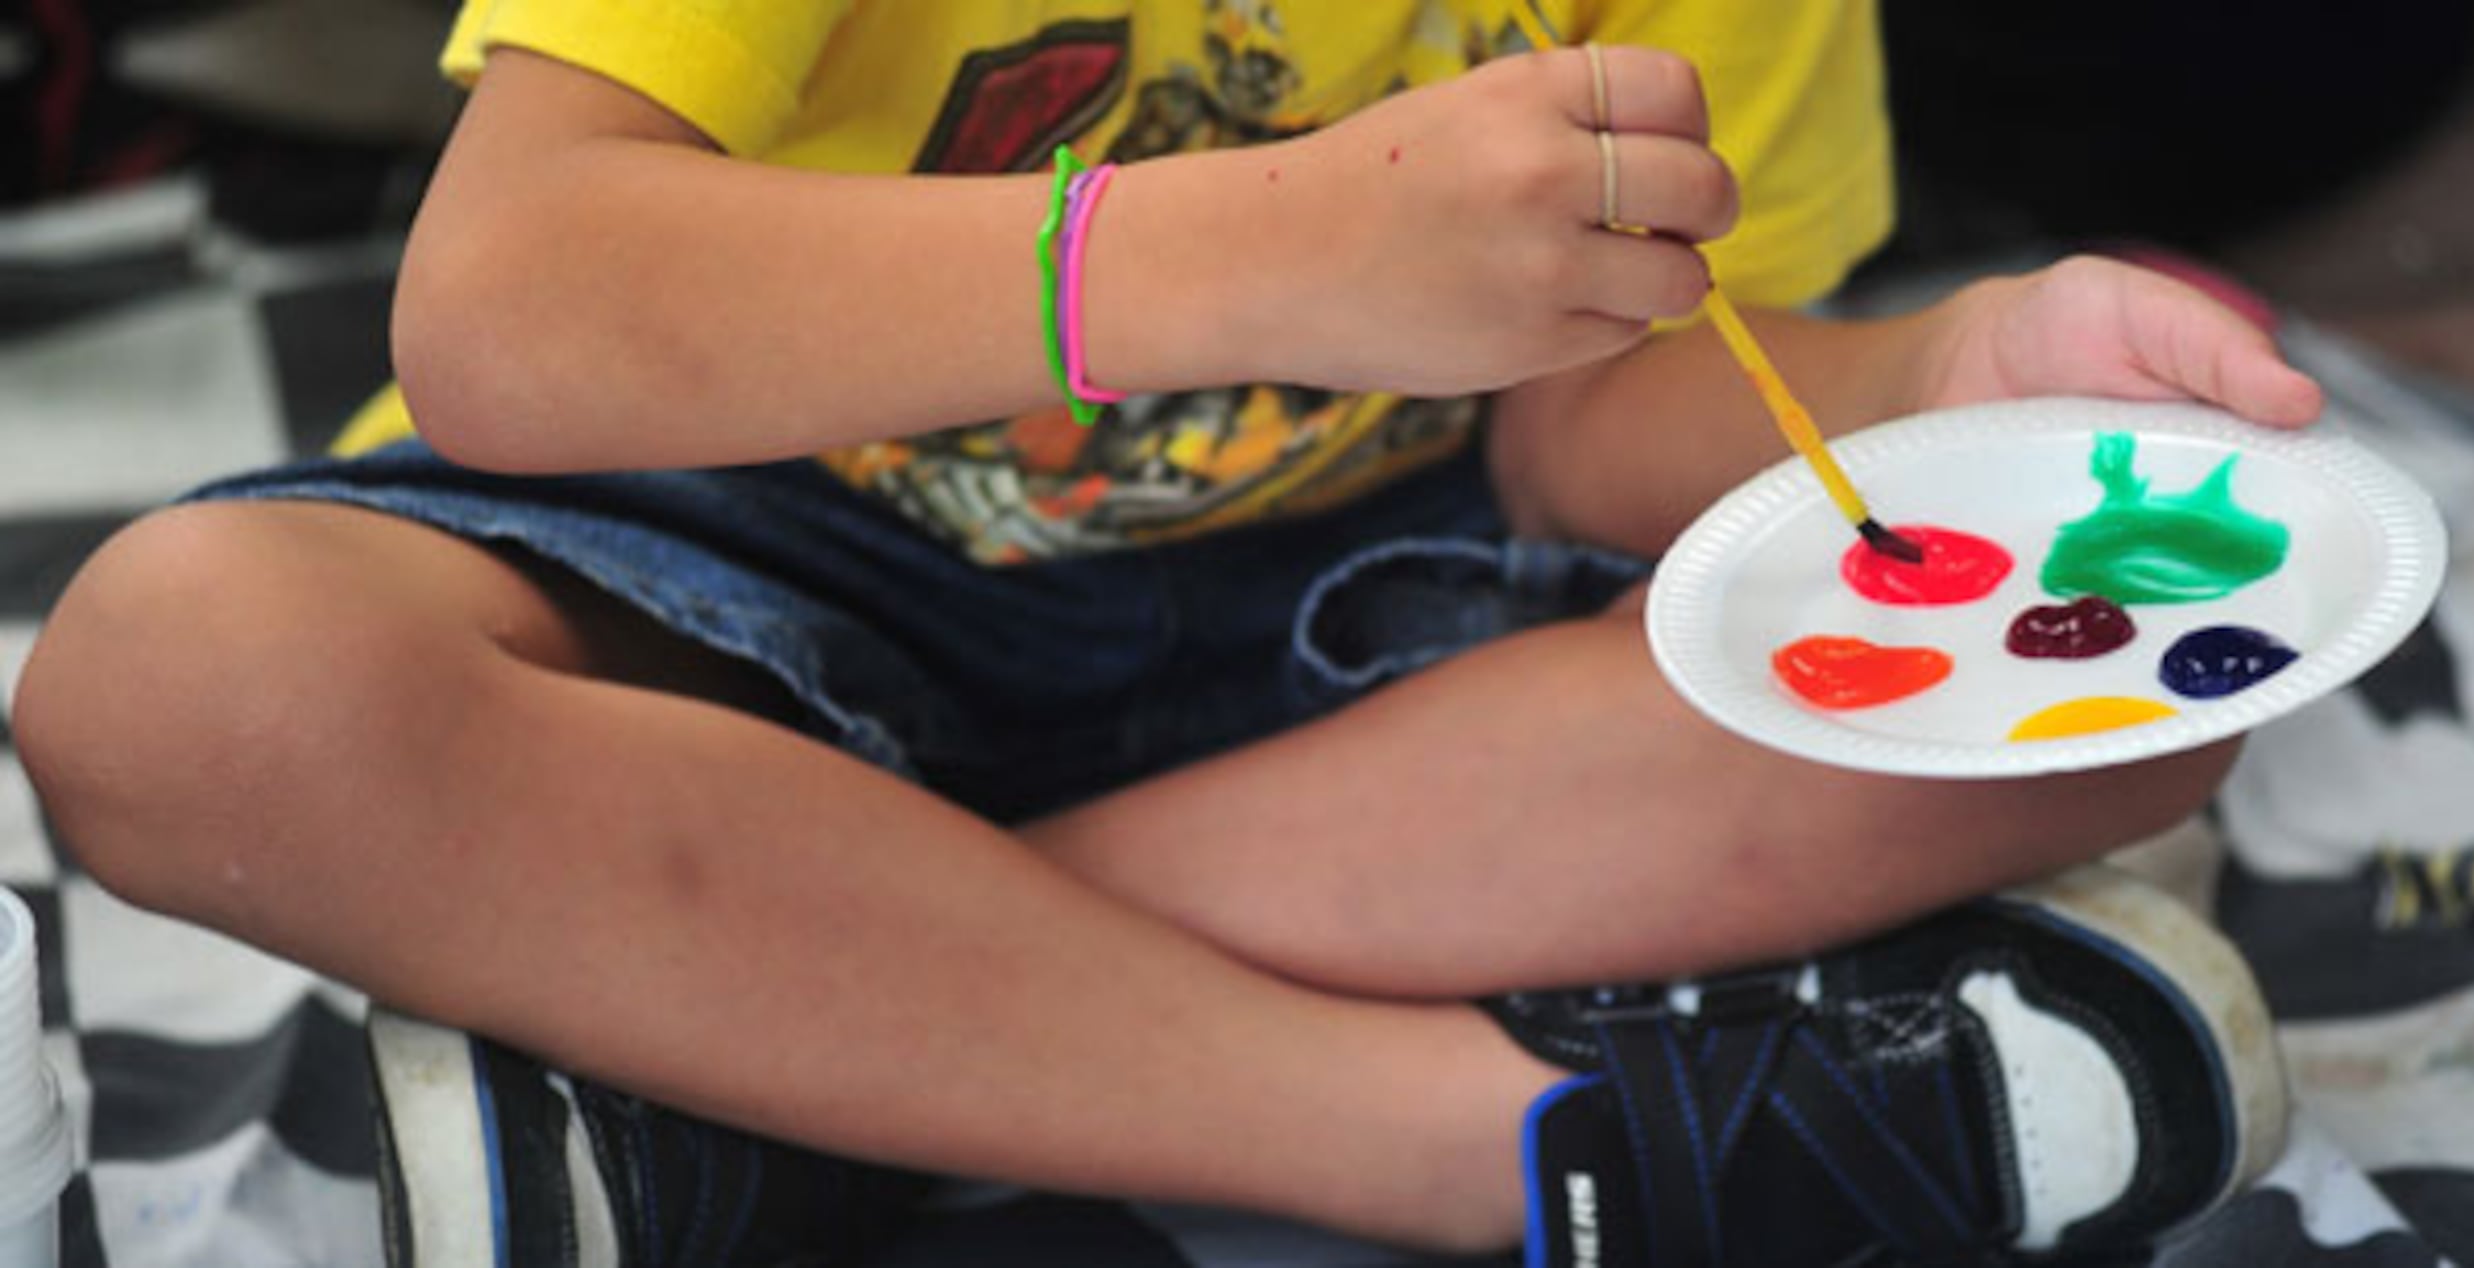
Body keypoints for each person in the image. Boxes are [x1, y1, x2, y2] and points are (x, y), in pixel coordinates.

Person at [14, 1, 2324, 1264]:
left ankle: (775, 1060)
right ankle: (1480, 1140)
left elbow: (1604, 424)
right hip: (701, 567)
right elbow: (512, 316)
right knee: (193, 681)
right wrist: (1245, 251)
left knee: (2099, 703)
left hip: (1330, 645)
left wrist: (1947, 391)